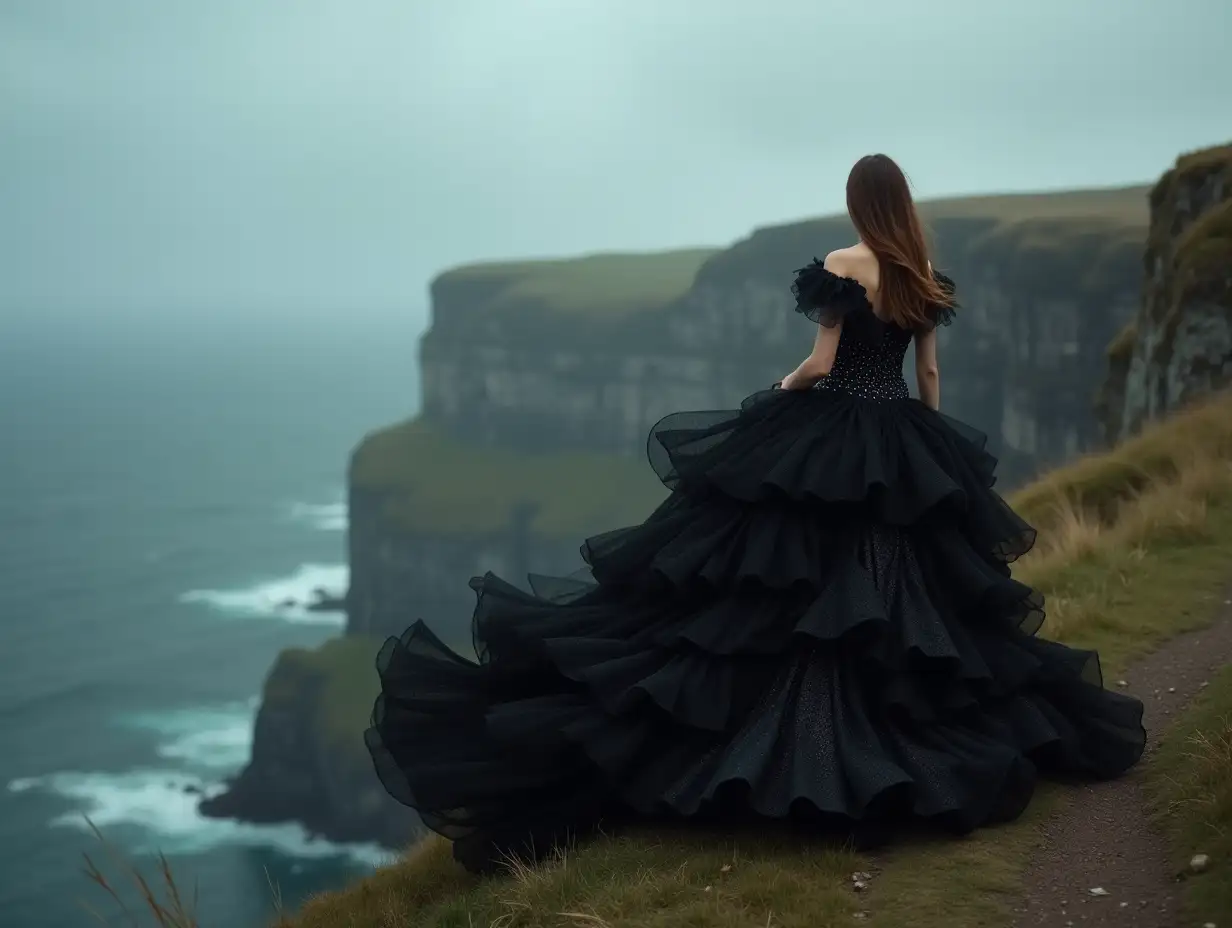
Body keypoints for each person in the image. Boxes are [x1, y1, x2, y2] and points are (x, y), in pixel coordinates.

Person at [365, 153, 1146, 874]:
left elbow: (823, 362)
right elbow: (930, 374)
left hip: (833, 431)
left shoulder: (844, 266)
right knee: (900, 599)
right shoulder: (923, 272)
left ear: (858, 204)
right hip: (902, 437)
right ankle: (894, 748)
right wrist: (928, 445)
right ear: (902, 205)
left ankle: (783, 752)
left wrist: (780, 392)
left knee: (789, 591)